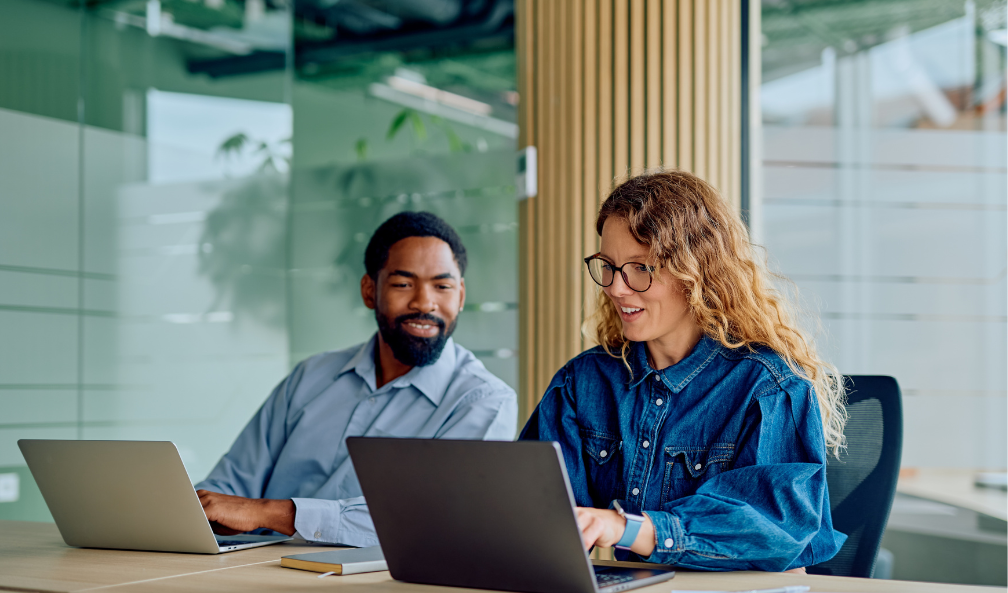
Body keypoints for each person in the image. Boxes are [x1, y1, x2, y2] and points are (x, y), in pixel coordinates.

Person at [520, 170, 847, 571]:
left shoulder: (768, 388)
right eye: (608, 265)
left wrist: (628, 528)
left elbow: (774, 528)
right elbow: (536, 514)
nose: (616, 288)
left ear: (696, 273)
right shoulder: (581, 382)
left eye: (640, 268)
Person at [196, 211, 517, 546]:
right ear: (369, 291)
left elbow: (431, 519)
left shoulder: (484, 402)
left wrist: (271, 513)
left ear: (461, 296)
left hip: (376, 590)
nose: (425, 301)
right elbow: (228, 487)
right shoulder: (310, 377)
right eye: (403, 284)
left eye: (443, 286)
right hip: (248, 571)